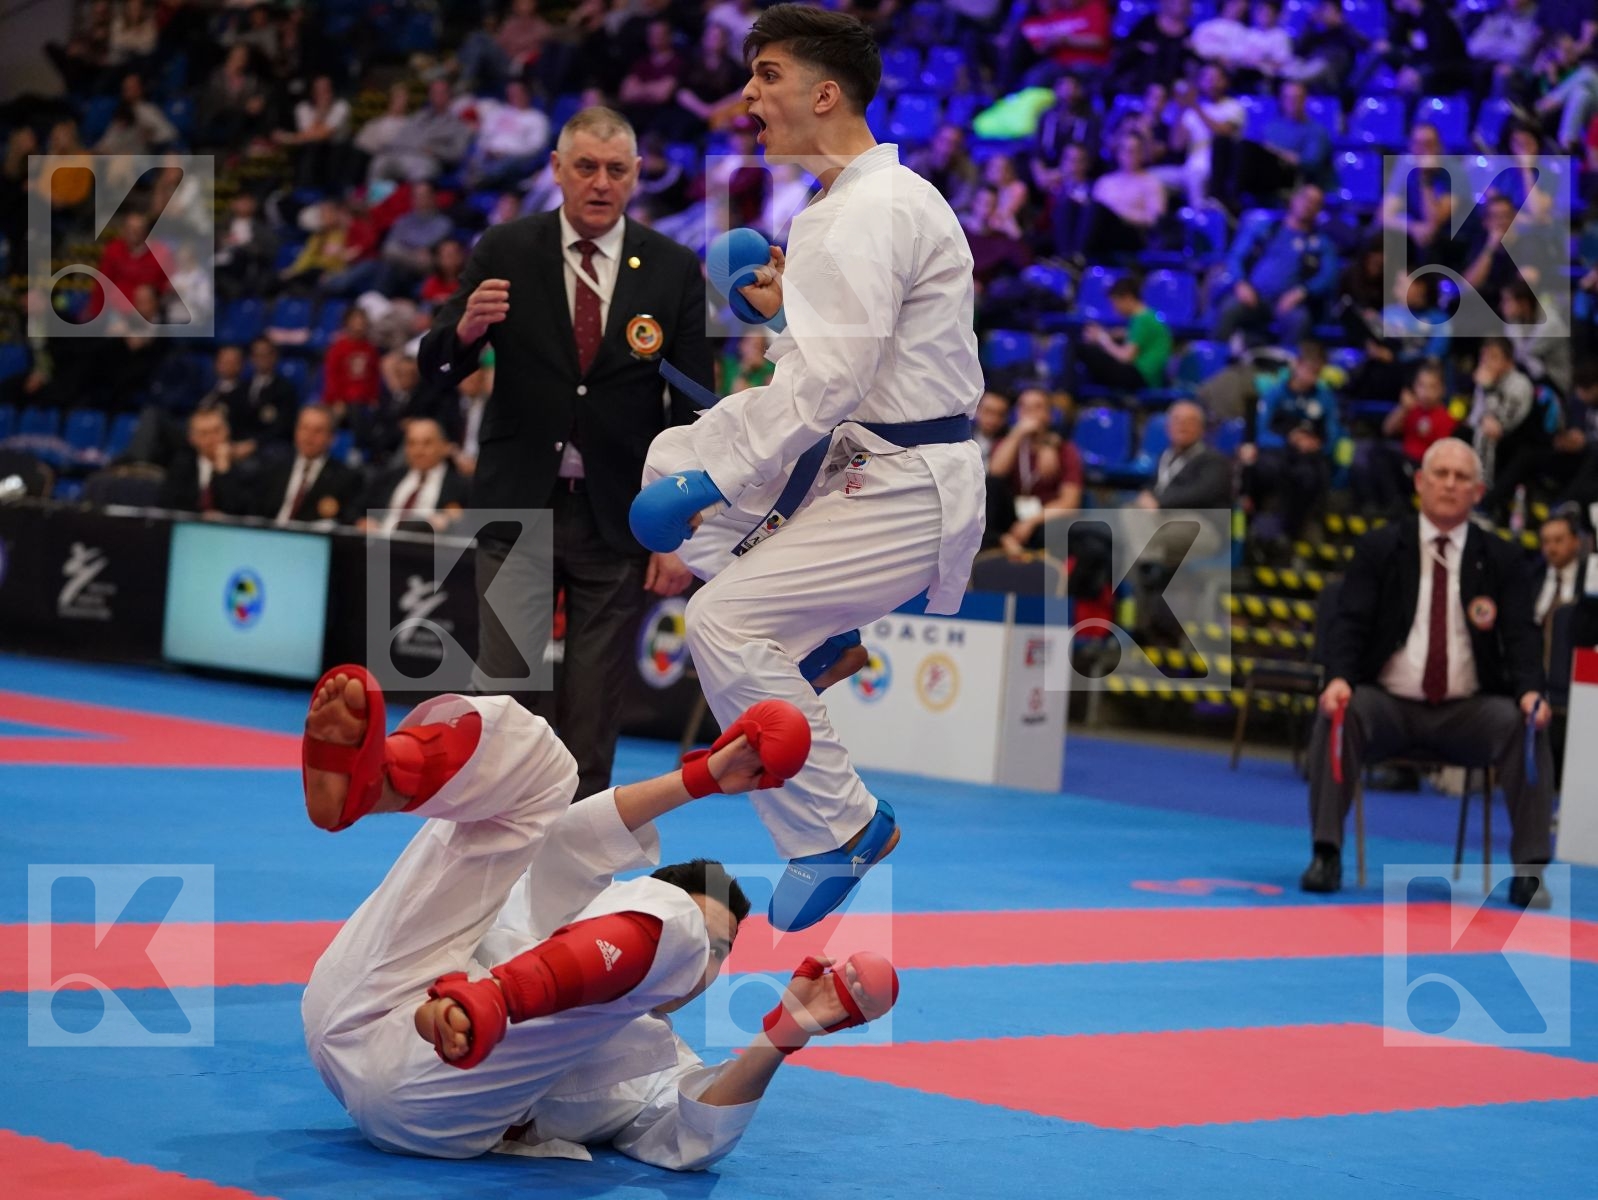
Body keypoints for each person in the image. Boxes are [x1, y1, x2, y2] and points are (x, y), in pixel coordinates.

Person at [630, 5, 985, 933]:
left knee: (721, 616)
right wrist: (787, 315)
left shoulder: (864, 213)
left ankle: (844, 826)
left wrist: (721, 476)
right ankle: (821, 645)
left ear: (825, 95)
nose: (748, 95)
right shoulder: (848, 205)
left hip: (905, 482)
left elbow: (835, 381)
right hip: (871, 452)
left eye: (768, 75)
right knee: (670, 455)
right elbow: (863, 361)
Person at [299, 666, 897, 1168]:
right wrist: (703, 778)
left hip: (422, 1096)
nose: (705, 960)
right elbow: (575, 838)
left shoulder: (663, 1061)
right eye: (707, 941)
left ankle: (493, 1003)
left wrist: (784, 1034)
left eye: (720, 953)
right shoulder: (563, 910)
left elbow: (696, 1137)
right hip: (359, 997)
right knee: (550, 767)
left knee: (667, 921)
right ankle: (383, 778)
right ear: (620, 905)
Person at [418, 106, 713, 801]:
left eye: (616, 170)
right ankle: (493, 853)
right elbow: (435, 369)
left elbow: (696, 406)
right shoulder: (507, 249)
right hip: (519, 500)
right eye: (585, 167)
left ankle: (573, 865)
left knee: (592, 709)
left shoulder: (670, 269)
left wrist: (678, 533)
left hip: (619, 515)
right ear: (557, 170)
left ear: (637, 177)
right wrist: (464, 330)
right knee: (506, 693)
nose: (600, 182)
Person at [1302, 438, 1554, 908]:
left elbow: (1521, 635)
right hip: (1389, 703)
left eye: (1462, 478)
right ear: (1420, 482)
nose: (1450, 485)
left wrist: (1530, 692)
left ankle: (1531, 871)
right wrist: (1337, 678)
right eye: (1440, 474)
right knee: (1341, 711)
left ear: (1478, 492)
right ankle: (1326, 853)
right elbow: (1350, 623)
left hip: (1469, 709)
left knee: (1527, 722)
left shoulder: (1501, 558)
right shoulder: (1380, 548)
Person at [1212, 183, 1337, 350]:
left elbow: (1329, 275)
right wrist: (1241, 283)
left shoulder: (1321, 242)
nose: (1308, 205)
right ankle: (1214, 363)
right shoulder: (1265, 228)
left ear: (1319, 210)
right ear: (1294, 199)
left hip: (1288, 303)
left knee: (1300, 320)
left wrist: (1303, 291)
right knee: (1229, 309)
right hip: (1254, 297)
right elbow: (1235, 256)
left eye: (1315, 203)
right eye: (1305, 199)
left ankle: (1287, 368)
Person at [354, 417, 470, 535]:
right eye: (411, 443)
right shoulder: (387, 478)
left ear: (445, 446)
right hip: (381, 544)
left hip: (429, 549)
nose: (418, 451)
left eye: (427, 443)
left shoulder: (462, 487)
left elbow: (472, 526)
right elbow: (354, 510)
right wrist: (362, 521)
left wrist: (452, 521)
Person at [253, 404, 360, 525]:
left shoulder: (345, 478)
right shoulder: (272, 467)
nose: (309, 436)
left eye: (318, 431)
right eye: (304, 428)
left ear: (331, 438)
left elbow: (347, 520)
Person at [1078, 276, 1173, 394]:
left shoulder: (1142, 319)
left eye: (1115, 302)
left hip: (1142, 377)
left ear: (1128, 298)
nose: (1114, 308)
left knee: (1082, 348)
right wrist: (1105, 334)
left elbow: (1126, 357)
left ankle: (1066, 394)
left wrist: (1102, 338)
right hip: (1146, 376)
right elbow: (1127, 333)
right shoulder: (1149, 316)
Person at [1135, 401, 1232, 512]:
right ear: (1168, 427)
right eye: (1176, 420)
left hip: (1197, 519)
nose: (1182, 426)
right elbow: (1156, 484)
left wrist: (1159, 502)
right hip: (1162, 513)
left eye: (1190, 421)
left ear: (1201, 429)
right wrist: (1146, 494)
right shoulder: (1166, 455)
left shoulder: (1214, 460)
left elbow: (1200, 494)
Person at [157, 407, 252, 515]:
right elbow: (167, 505)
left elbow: (242, 510)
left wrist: (224, 471)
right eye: (204, 433)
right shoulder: (182, 465)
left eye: (217, 431)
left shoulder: (246, 467)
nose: (212, 438)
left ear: (227, 430)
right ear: (192, 438)